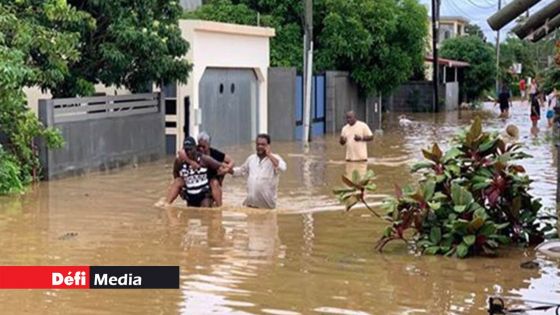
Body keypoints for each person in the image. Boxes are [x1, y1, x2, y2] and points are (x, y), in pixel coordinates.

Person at [162, 137, 224, 207]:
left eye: (190, 149)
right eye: (186, 150)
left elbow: (221, 167)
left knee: (205, 209)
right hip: (190, 193)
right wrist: (181, 190)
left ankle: (219, 208)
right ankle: (166, 205)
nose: (188, 152)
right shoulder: (179, 161)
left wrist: (219, 182)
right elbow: (175, 173)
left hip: (204, 194)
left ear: (195, 148)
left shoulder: (204, 159)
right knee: (177, 181)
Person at [229, 134, 287, 209]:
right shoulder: (251, 159)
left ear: (268, 146)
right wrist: (228, 170)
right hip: (250, 205)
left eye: (263, 144)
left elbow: (283, 168)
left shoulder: (274, 158)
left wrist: (269, 155)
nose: (260, 146)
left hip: (267, 208)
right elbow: (240, 171)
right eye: (258, 144)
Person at [192, 132, 234, 206]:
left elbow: (231, 161)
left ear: (208, 145)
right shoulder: (195, 152)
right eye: (199, 146)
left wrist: (225, 170)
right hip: (199, 179)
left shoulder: (215, 153)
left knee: (214, 183)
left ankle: (219, 206)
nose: (201, 149)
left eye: (203, 146)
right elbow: (181, 153)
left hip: (212, 178)